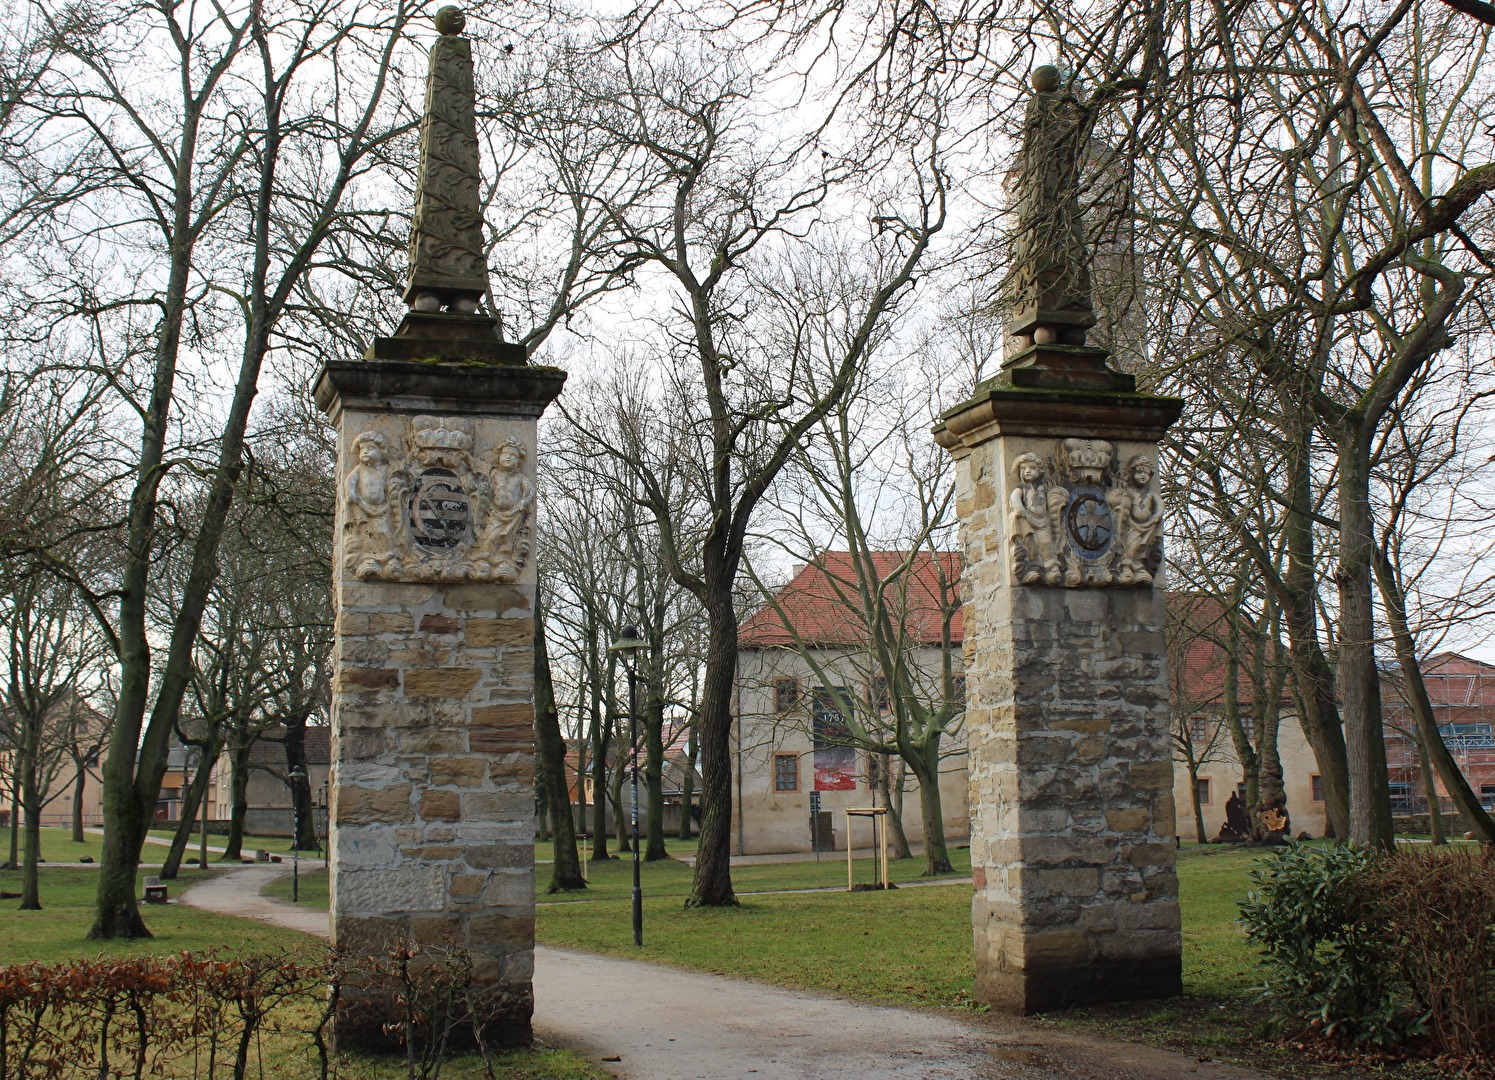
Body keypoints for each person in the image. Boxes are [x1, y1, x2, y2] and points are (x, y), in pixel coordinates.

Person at [1009, 452, 1065, 585]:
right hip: (1028, 522)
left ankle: (1051, 568)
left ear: (1039, 471)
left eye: (1032, 468)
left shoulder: (1042, 487)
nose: (1027, 471)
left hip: (1043, 523)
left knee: (1046, 542)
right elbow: (1015, 501)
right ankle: (1032, 567)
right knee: (1031, 543)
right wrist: (1024, 513)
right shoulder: (1021, 488)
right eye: (1024, 469)